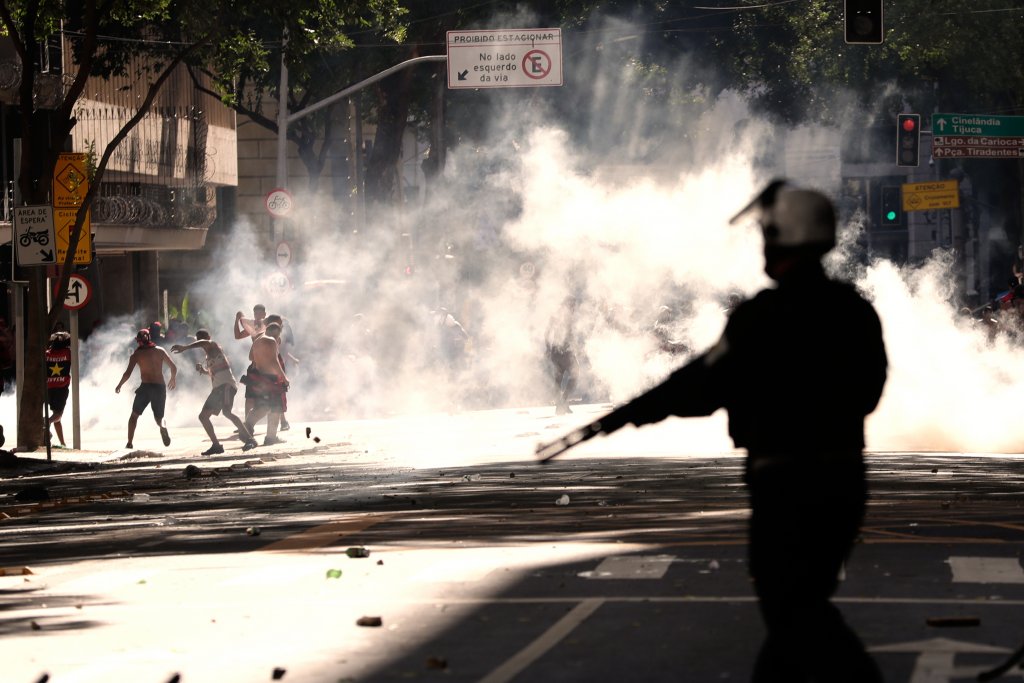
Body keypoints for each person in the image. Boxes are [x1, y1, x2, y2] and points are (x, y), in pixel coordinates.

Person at [545, 181, 887, 682]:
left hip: (783, 484)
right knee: (799, 607)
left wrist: (628, 415)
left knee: (791, 608)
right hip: (843, 481)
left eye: (768, 234)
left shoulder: (761, 316)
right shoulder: (854, 311)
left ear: (785, 236)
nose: (763, 244)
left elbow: (700, 385)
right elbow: (869, 392)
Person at [171, 329, 257, 454]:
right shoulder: (208, 356)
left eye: (202, 338)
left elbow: (204, 342)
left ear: (208, 337)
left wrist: (185, 348)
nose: (201, 340)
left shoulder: (213, 345)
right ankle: (216, 445)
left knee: (226, 412)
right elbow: (214, 372)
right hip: (219, 388)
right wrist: (204, 371)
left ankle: (250, 439)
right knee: (204, 416)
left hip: (226, 385)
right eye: (198, 338)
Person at [115, 329, 178, 449]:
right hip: (159, 387)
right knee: (159, 418)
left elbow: (127, 374)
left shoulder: (137, 355)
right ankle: (163, 427)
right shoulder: (160, 350)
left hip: (146, 387)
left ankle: (129, 443)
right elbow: (173, 367)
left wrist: (119, 385)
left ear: (139, 341)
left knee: (134, 416)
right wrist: (173, 378)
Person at [242, 321, 288, 446]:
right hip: (271, 378)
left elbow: (251, 357)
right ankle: (270, 437)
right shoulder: (271, 340)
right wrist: (284, 377)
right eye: (277, 335)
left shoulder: (258, 340)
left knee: (262, 406)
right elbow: (274, 361)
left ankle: (246, 427)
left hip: (260, 378)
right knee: (276, 408)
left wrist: (262, 359)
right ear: (275, 333)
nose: (277, 338)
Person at [545, 296, 581, 415]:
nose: (574, 309)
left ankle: (560, 405)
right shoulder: (565, 316)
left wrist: (548, 348)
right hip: (564, 351)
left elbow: (547, 332)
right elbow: (565, 335)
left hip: (556, 351)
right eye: (573, 306)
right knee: (575, 374)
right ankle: (563, 402)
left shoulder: (557, 315)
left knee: (559, 379)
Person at [45, 331, 72, 447]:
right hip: (62, 387)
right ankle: (46, 422)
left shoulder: (47, 353)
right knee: (58, 415)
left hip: (49, 387)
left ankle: (62, 443)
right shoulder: (68, 352)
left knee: (56, 415)